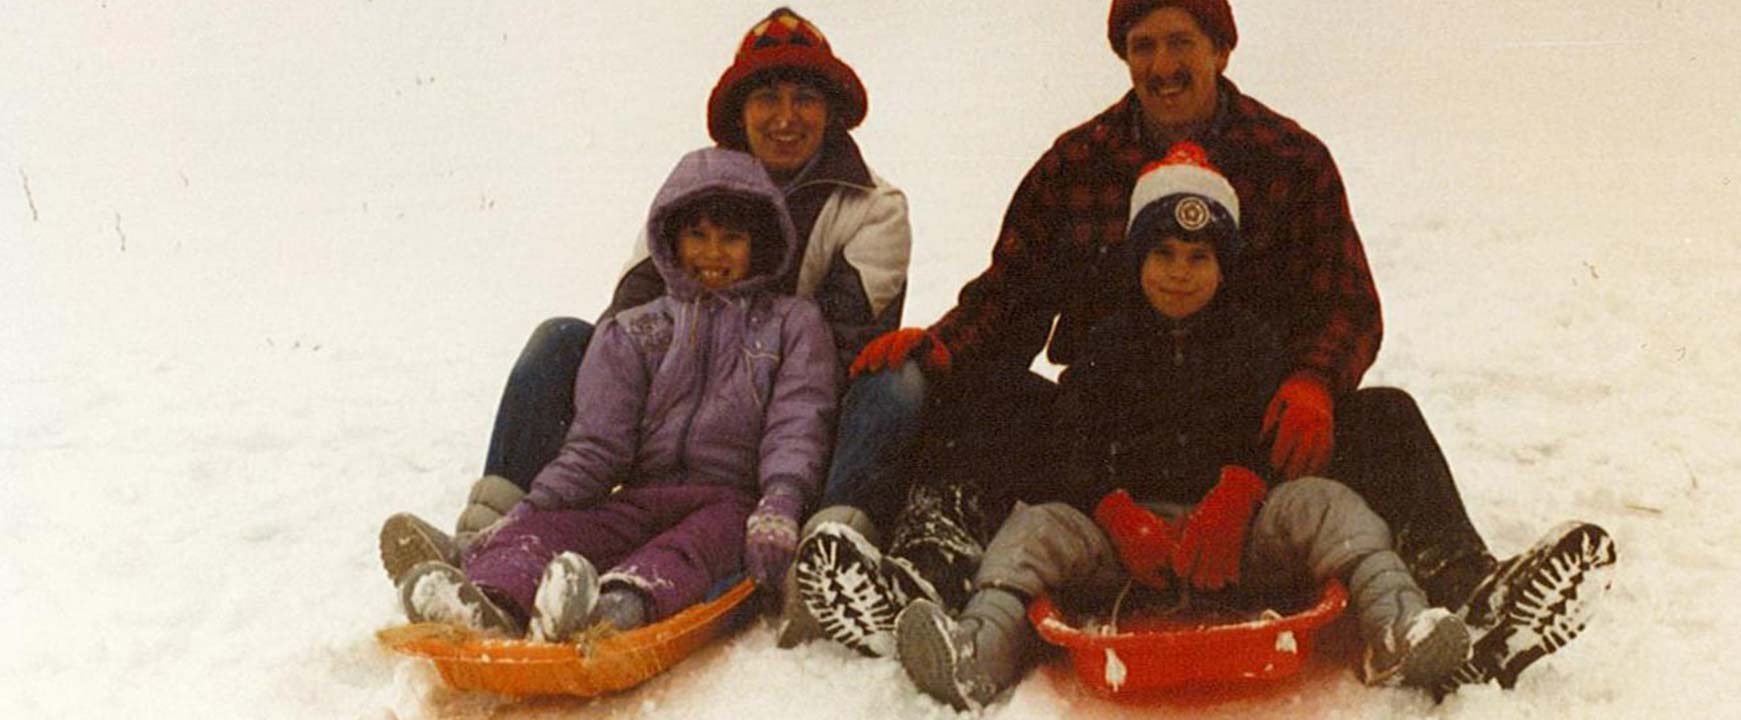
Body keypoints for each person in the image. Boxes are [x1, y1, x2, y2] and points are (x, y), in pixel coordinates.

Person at [797, 0, 1616, 695]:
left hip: (1257, 438)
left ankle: (1469, 598)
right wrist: (940, 347)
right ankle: (924, 588)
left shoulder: (1291, 158)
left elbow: (1348, 304)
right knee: (994, 399)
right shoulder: (1076, 163)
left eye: (1180, 41)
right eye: (1142, 45)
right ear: (1124, 56)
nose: (1161, 64)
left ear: (1221, 48)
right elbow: (1011, 297)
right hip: (1110, 443)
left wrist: (1313, 383)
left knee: (1387, 417)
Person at [893, 142, 1474, 709]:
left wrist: (1242, 493)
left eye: (1200, 258)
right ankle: (980, 651)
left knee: (1329, 505)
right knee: (1034, 533)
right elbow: (1070, 439)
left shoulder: (1255, 342)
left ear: (1225, 267)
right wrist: (1113, 512)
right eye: (1163, 254)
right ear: (1137, 259)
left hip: (1238, 538)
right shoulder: (1106, 344)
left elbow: (1271, 436)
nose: (1179, 273)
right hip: (1127, 540)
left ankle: (1398, 627)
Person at [377, 6, 909, 582]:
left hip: (794, 415)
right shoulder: (694, 195)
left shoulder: (871, 206)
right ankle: (491, 530)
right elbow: (632, 312)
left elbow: (831, 343)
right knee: (562, 339)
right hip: (684, 412)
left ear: (831, 112)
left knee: (897, 381)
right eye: (767, 99)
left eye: (804, 99)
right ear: (741, 112)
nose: (785, 118)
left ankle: (828, 549)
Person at [390, 148, 837, 641]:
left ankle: (612, 610)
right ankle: (490, 601)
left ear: (760, 245)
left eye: (731, 239)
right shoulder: (636, 331)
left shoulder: (791, 324)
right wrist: (532, 510)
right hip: (642, 496)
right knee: (559, 532)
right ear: (671, 241)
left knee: (689, 550)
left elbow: (797, 423)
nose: (713, 254)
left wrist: (780, 501)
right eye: (698, 236)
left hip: (733, 503)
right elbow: (598, 446)